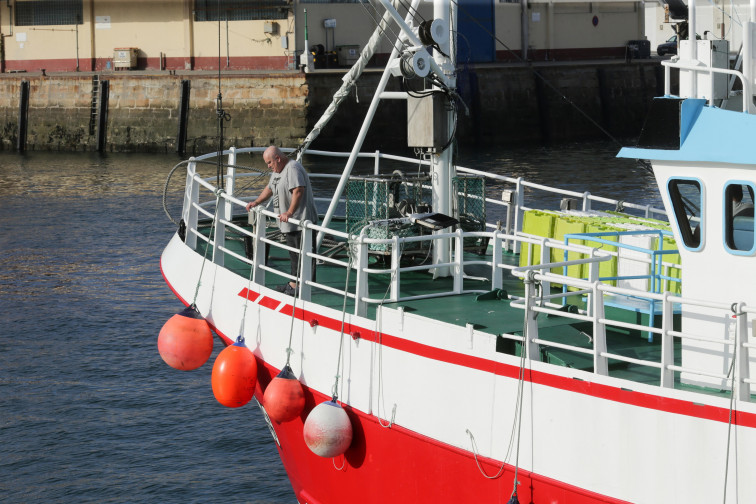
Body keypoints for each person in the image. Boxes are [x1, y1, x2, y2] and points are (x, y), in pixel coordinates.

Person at [246, 146, 319, 295]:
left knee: (302, 254)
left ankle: (302, 287)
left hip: (300, 221)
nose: (268, 166)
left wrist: (290, 212)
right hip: (290, 222)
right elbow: (270, 188)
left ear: (277, 159)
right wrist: (257, 202)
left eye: (269, 163)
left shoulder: (292, 168)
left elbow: (298, 190)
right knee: (293, 254)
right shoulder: (277, 171)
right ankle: (293, 284)